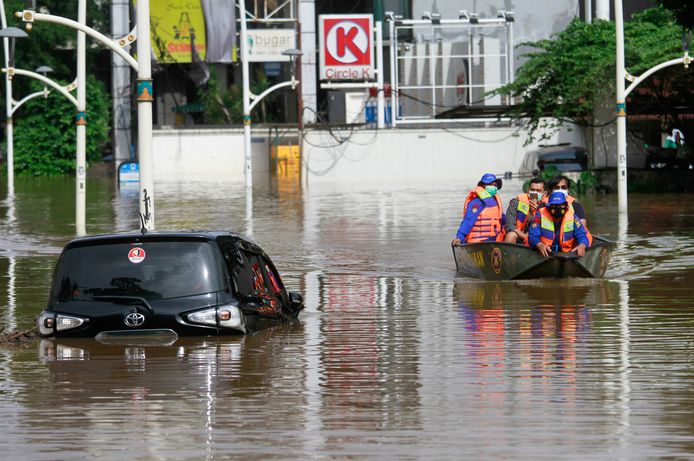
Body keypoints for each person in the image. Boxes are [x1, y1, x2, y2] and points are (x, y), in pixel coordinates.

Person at [528, 191, 590, 258]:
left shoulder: (573, 217)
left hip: (566, 255)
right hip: (546, 254)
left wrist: (582, 245)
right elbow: (533, 236)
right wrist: (539, 244)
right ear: (548, 207)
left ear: (566, 206)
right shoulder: (539, 216)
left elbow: (581, 235)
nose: (558, 208)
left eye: (561, 205)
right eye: (554, 205)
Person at [452, 173, 505, 245]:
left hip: (494, 240)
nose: (493, 187)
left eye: (495, 185)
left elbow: (502, 218)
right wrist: (460, 237)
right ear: (483, 186)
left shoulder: (495, 202)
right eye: (490, 184)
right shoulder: (477, 202)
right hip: (480, 242)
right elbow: (468, 220)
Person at [504, 177, 546, 244]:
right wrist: (525, 236)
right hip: (519, 236)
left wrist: (538, 211)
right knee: (511, 235)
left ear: (544, 193)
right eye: (532, 190)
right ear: (528, 190)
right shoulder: (517, 201)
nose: (535, 193)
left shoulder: (547, 206)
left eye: (538, 191)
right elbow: (510, 226)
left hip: (537, 238)